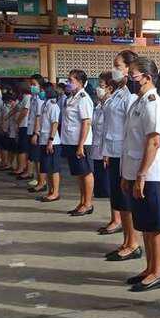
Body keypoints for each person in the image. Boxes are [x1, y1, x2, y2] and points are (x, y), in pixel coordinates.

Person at [120, 58, 160, 291]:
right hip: (136, 172)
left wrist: (140, 175)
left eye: (133, 75)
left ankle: (158, 272)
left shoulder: (153, 103)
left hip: (151, 175)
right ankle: (150, 268)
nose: (128, 79)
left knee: (156, 226)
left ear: (147, 78)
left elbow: (154, 142)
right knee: (146, 226)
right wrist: (127, 174)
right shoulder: (138, 101)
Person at [102, 50, 141, 261]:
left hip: (124, 154)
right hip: (114, 152)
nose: (114, 70)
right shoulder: (120, 91)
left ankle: (133, 243)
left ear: (129, 68)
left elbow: (131, 130)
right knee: (120, 202)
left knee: (126, 203)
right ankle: (126, 241)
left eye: (118, 66)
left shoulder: (131, 95)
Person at [60, 69, 95, 217]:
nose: (68, 83)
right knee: (79, 174)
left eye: (71, 80)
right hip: (70, 141)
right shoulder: (71, 98)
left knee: (86, 173)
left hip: (80, 142)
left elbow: (86, 122)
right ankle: (82, 202)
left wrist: (81, 145)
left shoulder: (83, 98)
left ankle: (88, 204)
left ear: (80, 82)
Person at [36, 82, 62, 203]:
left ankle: (55, 192)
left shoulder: (53, 106)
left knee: (54, 168)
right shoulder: (44, 104)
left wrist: (50, 140)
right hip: (44, 139)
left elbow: (55, 123)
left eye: (42, 90)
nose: (40, 92)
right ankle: (50, 191)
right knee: (48, 168)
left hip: (52, 142)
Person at [91, 72, 114, 206]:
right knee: (98, 171)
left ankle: (105, 191)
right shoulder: (99, 105)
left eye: (102, 86)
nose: (98, 89)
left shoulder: (111, 105)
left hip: (107, 147)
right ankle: (99, 191)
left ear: (109, 88)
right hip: (97, 145)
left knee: (106, 176)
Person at [27, 75, 47, 192]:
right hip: (31, 129)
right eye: (31, 84)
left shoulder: (40, 99)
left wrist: (36, 133)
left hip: (37, 132)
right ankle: (38, 180)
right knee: (35, 158)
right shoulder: (33, 98)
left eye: (34, 84)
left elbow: (38, 117)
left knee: (38, 158)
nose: (32, 87)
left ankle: (42, 182)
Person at [12, 82, 32, 178]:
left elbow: (25, 111)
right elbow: (17, 108)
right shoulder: (23, 98)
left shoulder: (27, 97)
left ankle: (22, 168)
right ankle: (21, 167)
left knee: (23, 148)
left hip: (25, 125)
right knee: (21, 147)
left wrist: (18, 122)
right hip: (22, 126)